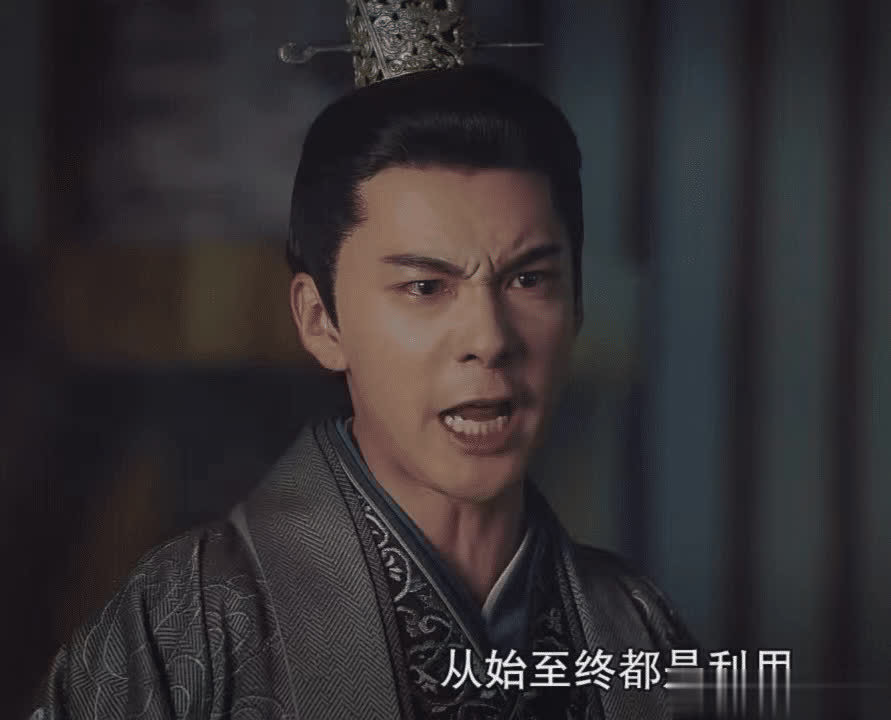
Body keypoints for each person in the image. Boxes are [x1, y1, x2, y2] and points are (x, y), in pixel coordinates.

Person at [29, 65, 697, 720]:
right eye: (425, 287)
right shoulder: (184, 625)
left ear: (576, 308)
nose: (489, 339)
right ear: (321, 321)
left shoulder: (636, 624)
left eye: (528, 280)